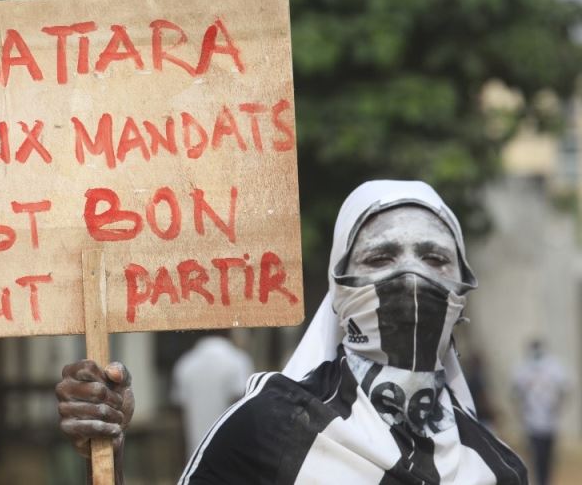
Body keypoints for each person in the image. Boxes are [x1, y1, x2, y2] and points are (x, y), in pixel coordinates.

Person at [56, 180, 528, 484]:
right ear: (339, 288)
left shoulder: (498, 468)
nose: (411, 277)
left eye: (435, 258)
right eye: (381, 257)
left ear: (463, 286)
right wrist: (108, 455)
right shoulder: (267, 430)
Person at [171, 331, 254, 458]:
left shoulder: (185, 363)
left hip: (195, 454)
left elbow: (179, 412)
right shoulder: (237, 360)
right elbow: (245, 405)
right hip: (231, 454)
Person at [512, 340, 569, 485]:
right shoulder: (523, 368)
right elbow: (515, 391)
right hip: (531, 422)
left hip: (550, 421)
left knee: (547, 458)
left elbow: (564, 389)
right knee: (536, 457)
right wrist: (521, 411)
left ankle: (545, 481)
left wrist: (558, 407)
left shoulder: (553, 366)